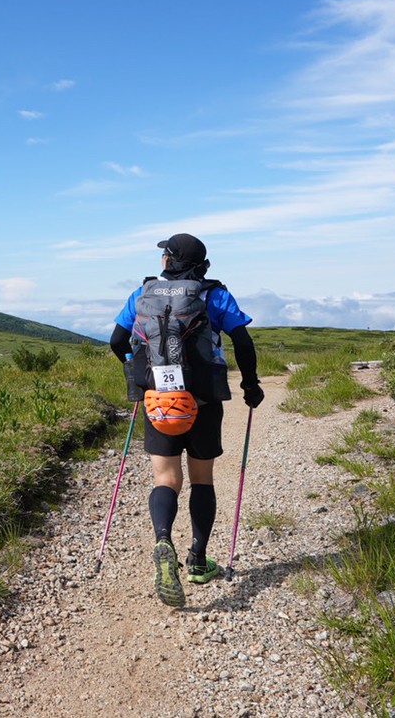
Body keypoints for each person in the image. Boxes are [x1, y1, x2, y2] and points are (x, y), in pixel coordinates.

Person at [109, 233, 262, 607]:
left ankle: (163, 538)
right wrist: (250, 384)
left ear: (169, 260)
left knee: (166, 478)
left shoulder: (142, 294)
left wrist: (136, 374)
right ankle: (197, 559)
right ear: (200, 264)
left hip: (158, 400)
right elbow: (243, 342)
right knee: (202, 479)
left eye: (164, 253)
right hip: (203, 399)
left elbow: (116, 341)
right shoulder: (213, 294)